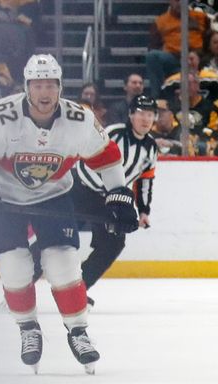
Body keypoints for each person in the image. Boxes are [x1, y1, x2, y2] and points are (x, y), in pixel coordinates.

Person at [0, 54, 138, 373]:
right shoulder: (1, 117)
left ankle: (78, 331)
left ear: (60, 87)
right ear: (26, 87)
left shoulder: (79, 119)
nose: (44, 92)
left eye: (50, 85)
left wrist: (119, 193)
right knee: (15, 268)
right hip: (5, 198)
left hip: (53, 194)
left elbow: (108, 158)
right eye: (37, 85)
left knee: (63, 263)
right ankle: (28, 329)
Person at [68, 94, 159, 298]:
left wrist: (143, 210)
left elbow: (145, 180)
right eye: (141, 113)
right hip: (78, 190)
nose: (145, 119)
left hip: (108, 201)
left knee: (113, 244)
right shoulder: (113, 133)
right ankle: (21, 287)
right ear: (130, 114)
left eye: (150, 114)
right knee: (53, 235)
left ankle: (77, 292)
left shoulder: (151, 147)